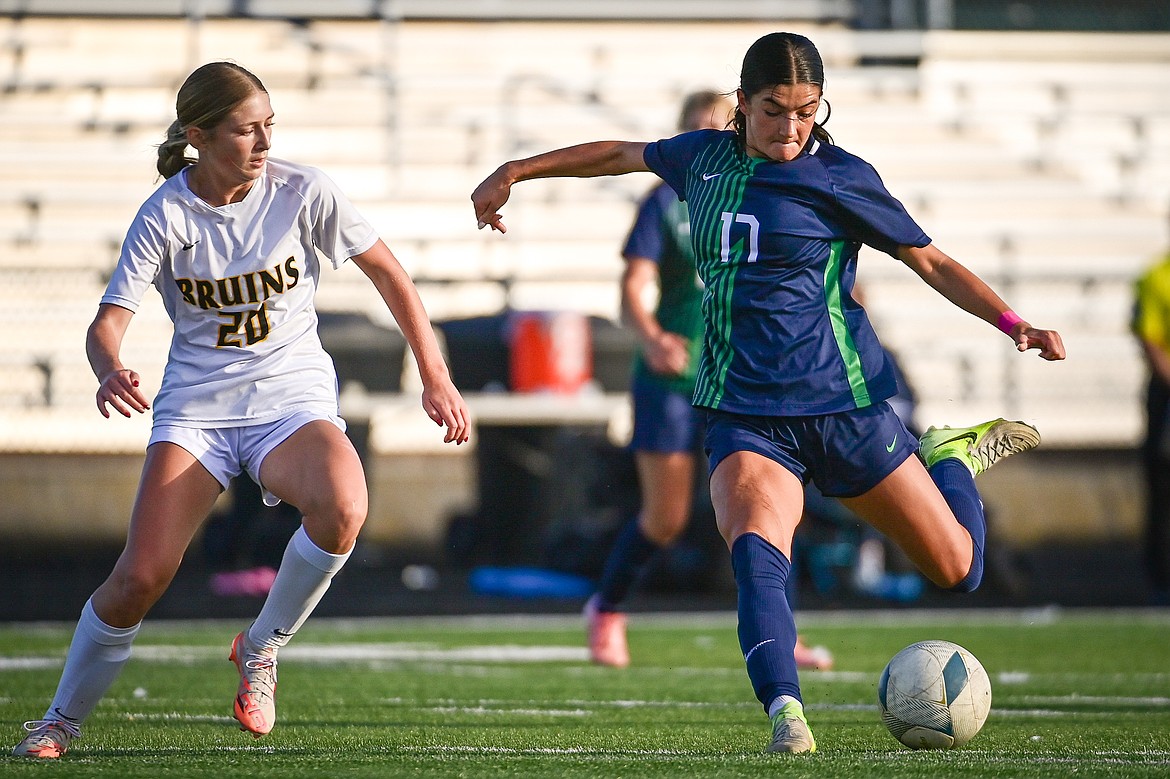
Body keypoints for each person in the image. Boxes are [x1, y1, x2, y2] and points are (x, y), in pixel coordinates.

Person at [471, 32, 1065, 754]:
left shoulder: (841, 177)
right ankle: (787, 712)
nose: (791, 128)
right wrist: (515, 170)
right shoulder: (702, 159)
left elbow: (930, 261)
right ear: (743, 104)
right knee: (756, 549)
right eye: (774, 110)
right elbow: (619, 154)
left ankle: (948, 458)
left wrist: (1014, 323)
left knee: (959, 570)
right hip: (747, 416)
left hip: (845, 409)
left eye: (806, 111)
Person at [13, 61, 470, 760]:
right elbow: (106, 326)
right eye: (244, 129)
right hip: (197, 411)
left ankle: (260, 647)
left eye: (268, 126)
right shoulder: (165, 214)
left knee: (344, 506)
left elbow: (391, 275)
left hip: (290, 398)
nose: (263, 142)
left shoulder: (303, 190)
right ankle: (58, 721)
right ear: (197, 136)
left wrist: (435, 375)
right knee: (140, 577)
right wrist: (110, 370)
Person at [583, 90, 832, 672]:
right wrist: (651, 336)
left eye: (722, 126)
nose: (713, 137)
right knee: (665, 518)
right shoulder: (665, 199)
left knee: (771, 507)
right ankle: (607, 608)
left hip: (745, 378)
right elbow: (632, 285)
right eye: (700, 128)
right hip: (676, 379)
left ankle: (784, 633)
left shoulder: (769, 189)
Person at [1133, 244, 1170, 605]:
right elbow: (1150, 340)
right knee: (1162, 488)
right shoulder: (1156, 277)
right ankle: (1161, 582)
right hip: (1167, 394)